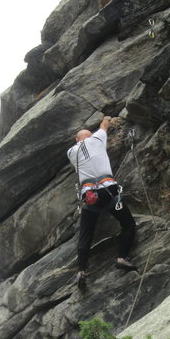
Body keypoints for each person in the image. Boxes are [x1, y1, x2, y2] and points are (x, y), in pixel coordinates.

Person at [67, 115, 137, 290]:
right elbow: (104, 125)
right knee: (128, 224)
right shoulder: (97, 139)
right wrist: (106, 117)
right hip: (108, 191)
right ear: (90, 136)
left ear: (76, 140)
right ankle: (122, 258)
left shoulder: (71, 153)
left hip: (89, 195)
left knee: (86, 235)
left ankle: (81, 271)